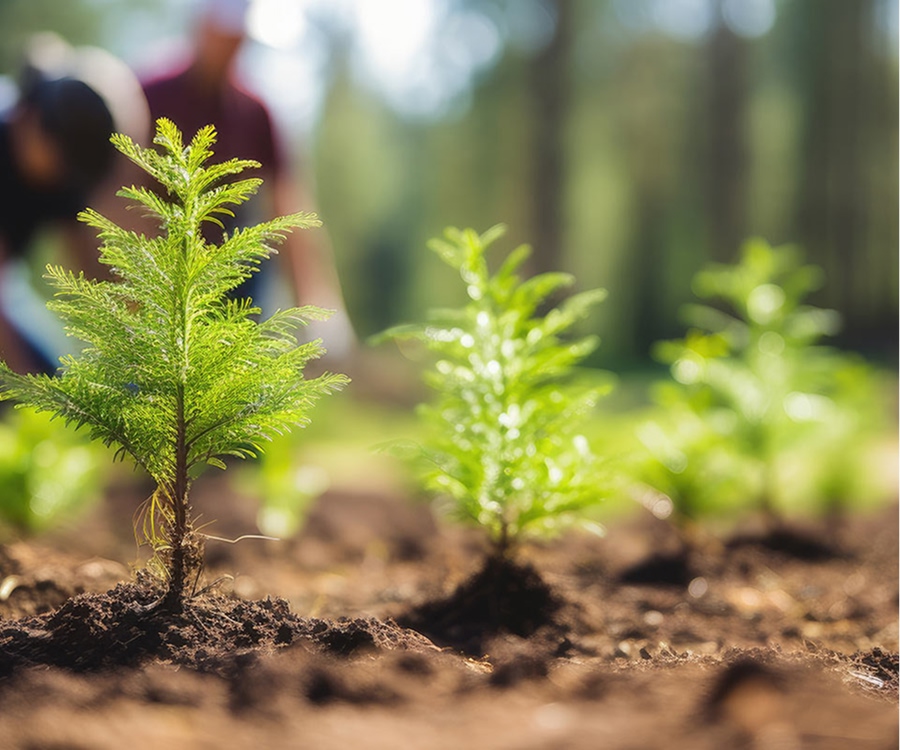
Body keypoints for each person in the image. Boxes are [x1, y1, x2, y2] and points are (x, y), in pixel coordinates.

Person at [140, 0, 355, 359]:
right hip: (160, 271)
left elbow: (288, 210)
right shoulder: (149, 95)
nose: (234, 45)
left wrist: (319, 305)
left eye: (240, 36)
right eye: (226, 34)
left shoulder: (256, 114)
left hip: (234, 277)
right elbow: (118, 195)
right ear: (202, 26)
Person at [0, 34, 148, 374]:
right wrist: (31, 392)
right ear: (32, 119)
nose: (63, 174)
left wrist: (140, 339)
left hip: (8, 284)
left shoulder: (62, 172)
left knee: (58, 373)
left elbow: (91, 270)